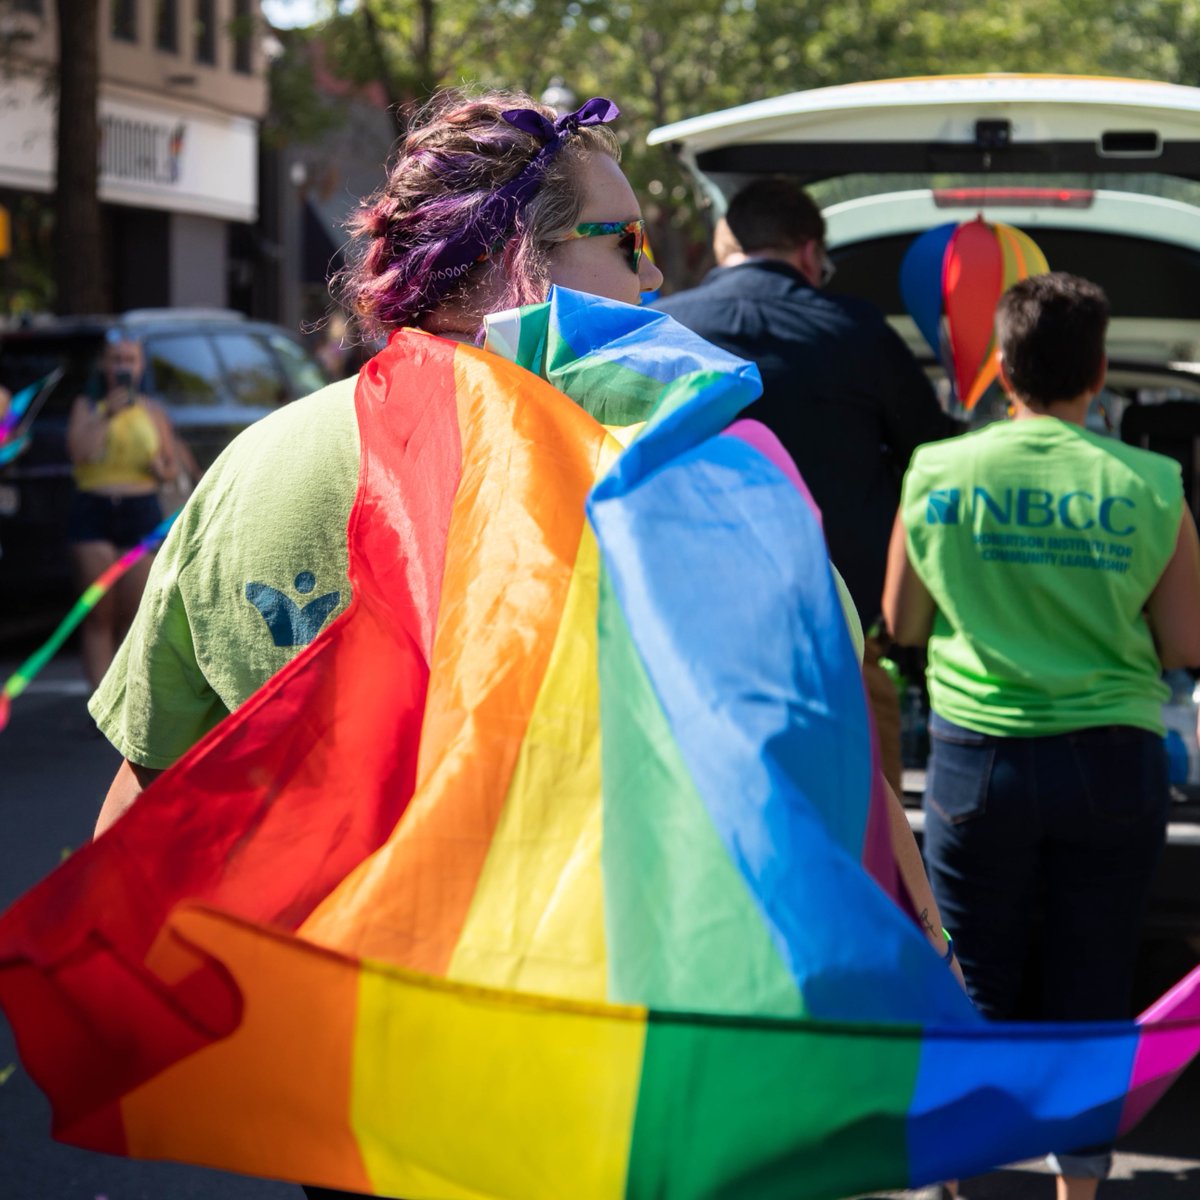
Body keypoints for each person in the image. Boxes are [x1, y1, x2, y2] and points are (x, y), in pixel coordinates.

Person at [85, 91, 958, 1200]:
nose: (652, 280)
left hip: (352, 1086)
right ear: (518, 259)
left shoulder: (255, 468)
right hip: (612, 1077)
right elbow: (838, 778)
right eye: (628, 241)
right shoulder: (684, 474)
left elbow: (144, 809)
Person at [883, 272, 1200, 1200]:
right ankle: (1080, 1190)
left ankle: (952, 1174)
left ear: (1003, 368)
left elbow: (901, 621)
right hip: (1114, 763)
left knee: (971, 979)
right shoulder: (1153, 483)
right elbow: (1187, 643)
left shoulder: (937, 473)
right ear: (1097, 372)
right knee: (1092, 978)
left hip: (975, 763)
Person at [653, 176, 962, 794]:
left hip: (689, 650)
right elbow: (934, 460)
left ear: (722, 251)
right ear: (811, 254)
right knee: (869, 848)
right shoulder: (857, 331)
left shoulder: (663, 329)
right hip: (838, 646)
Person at [65, 334, 180, 690]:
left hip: (140, 511)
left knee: (133, 617)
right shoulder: (88, 406)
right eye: (116, 360)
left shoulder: (152, 410)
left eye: (129, 360)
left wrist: (162, 470)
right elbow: (78, 452)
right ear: (104, 364)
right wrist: (105, 414)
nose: (122, 367)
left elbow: (171, 466)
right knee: (99, 615)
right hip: (94, 510)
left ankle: (125, 701)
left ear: (140, 366)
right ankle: (98, 702)